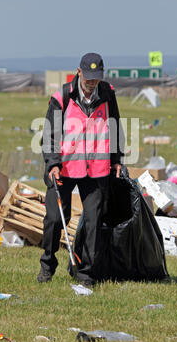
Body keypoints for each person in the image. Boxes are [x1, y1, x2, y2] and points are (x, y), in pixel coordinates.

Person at [37, 52, 124, 286]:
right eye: (88, 78)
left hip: (96, 169)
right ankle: (48, 262)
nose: (91, 83)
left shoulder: (107, 94)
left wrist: (117, 159)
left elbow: (115, 126)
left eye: (95, 78)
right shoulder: (62, 96)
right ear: (79, 72)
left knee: (94, 222)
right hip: (64, 168)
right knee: (54, 220)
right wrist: (53, 163)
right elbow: (49, 134)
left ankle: (86, 272)